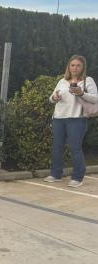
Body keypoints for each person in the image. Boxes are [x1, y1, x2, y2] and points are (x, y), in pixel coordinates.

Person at [45, 55, 97, 187]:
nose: (75, 68)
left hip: (77, 119)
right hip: (58, 118)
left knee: (75, 148)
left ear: (83, 67)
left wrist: (81, 93)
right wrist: (55, 97)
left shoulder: (87, 81)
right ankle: (56, 174)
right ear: (69, 66)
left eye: (78, 65)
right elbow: (51, 98)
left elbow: (95, 99)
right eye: (72, 65)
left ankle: (78, 177)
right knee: (57, 148)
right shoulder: (62, 81)